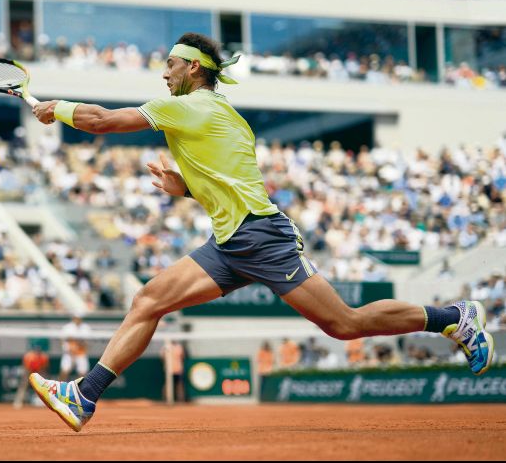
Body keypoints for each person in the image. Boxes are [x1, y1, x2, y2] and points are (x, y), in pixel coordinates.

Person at [28, 32, 494, 432]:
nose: (164, 74)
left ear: (193, 67)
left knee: (343, 324)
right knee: (149, 299)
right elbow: (231, 184)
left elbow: (102, 121)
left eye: (170, 65)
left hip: (261, 237)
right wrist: (187, 189)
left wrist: (59, 108)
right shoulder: (222, 114)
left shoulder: (186, 108)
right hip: (231, 241)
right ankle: (83, 397)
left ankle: (454, 317)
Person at [13, 340, 50, 409]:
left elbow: (44, 368)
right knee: (23, 385)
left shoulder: (44, 357)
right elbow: (26, 367)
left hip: (39, 372)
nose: (37, 351)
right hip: (29, 371)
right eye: (36, 350)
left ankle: (46, 402)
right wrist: (29, 376)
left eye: (39, 350)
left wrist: (41, 378)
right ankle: (18, 401)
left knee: (44, 385)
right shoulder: (28, 356)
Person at [58, 315, 91, 381]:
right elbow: (62, 340)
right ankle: (59, 389)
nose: (77, 319)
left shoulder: (86, 327)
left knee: (83, 373)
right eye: (76, 318)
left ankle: (80, 390)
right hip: (69, 353)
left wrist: (79, 345)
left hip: (80, 353)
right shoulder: (67, 327)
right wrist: (68, 348)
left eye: (79, 318)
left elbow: (87, 343)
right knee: (64, 371)